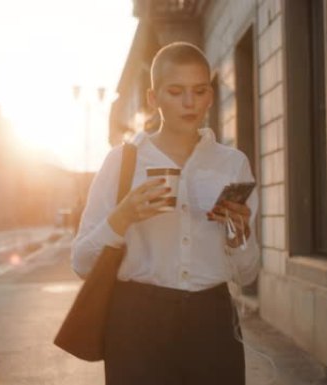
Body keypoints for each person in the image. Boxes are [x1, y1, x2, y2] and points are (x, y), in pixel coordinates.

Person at [72, 42, 260, 384]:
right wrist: (123, 215)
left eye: (199, 91)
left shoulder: (233, 164)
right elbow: (81, 262)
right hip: (136, 322)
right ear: (153, 98)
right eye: (176, 92)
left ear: (210, 96)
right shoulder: (122, 162)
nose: (189, 103)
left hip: (213, 321)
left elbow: (246, 275)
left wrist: (238, 231)